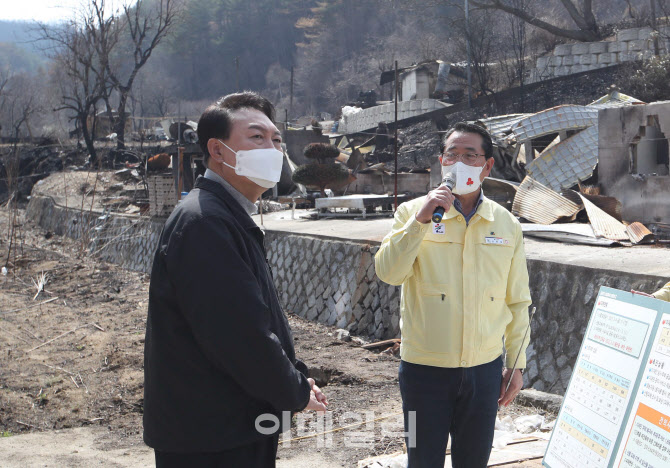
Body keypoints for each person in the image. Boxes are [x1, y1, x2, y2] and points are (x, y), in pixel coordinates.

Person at [143, 92, 327, 468]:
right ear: (218, 150)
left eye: (276, 140)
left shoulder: (221, 214)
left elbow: (252, 319)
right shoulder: (206, 222)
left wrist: (294, 376)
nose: (273, 149)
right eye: (256, 137)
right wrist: (293, 389)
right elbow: (239, 335)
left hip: (227, 423)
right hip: (213, 434)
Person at [375, 122, 531, 468]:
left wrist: (516, 364)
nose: (458, 163)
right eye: (451, 155)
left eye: (469, 155)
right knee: (423, 460)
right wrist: (420, 221)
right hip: (424, 369)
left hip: (484, 369)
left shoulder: (505, 224)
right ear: (441, 161)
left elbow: (518, 301)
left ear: (487, 166)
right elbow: (389, 273)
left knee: (474, 460)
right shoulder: (411, 213)